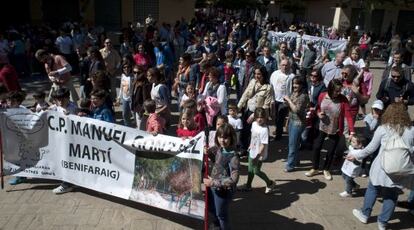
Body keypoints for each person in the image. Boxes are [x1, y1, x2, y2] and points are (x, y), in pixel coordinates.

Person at [349, 103, 414, 229]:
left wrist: (356, 155)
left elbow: (370, 149)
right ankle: (383, 223)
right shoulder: (411, 131)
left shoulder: (383, 128)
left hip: (381, 167)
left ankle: (364, 214)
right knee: (392, 195)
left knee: (373, 189)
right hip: (400, 169)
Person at [305, 79, 355, 180]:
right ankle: (315, 168)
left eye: (339, 90)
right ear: (330, 89)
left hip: (335, 129)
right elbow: (318, 107)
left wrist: (352, 130)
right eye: (336, 91)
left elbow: (348, 116)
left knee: (331, 151)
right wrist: (318, 113)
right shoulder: (322, 95)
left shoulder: (343, 99)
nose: (338, 93)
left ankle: (326, 169)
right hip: (322, 127)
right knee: (316, 147)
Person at [204, 123, 240, 230]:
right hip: (213, 187)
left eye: (225, 138)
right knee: (212, 208)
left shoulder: (234, 157)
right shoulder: (219, 148)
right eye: (220, 137)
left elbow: (234, 180)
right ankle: (217, 224)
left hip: (223, 191)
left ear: (231, 138)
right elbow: (216, 159)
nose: (222, 140)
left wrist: (213, 183)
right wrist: (208, 152)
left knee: (222, 215)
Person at [239, 108, 276, 194]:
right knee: (250, 169)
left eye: (262, 117)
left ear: (265, 118)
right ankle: (248, 186)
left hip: (260, 154)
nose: (259, 119)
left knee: (256, 171)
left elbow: (263, 145)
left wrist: (258, 156)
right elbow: (249, 125)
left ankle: (270, 183)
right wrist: (250, 145)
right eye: (258, 117)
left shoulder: (264, 130)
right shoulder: (254, 124)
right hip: (252, 150)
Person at [48, 88, 78, 194]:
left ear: (67, 98)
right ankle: (68, 181)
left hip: (70, 140)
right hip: (60, 140)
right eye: (57, 99)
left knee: (67, 161)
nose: (60, 102)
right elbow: (47, 111)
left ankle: (66, 184)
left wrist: (70, 116)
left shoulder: (73, 107)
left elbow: (78, 122)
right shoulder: (57, 107)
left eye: (62, 99)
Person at [238, 65, 273, 153]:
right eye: (255, 74)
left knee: (255, 133)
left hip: (259, 114)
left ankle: (254, 150)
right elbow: (245, 95)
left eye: (259, 74)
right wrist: (238, 107)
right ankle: (243, 149)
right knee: (244, 131)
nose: (257, 76)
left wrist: (255, 115)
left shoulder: (268, 88)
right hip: (248, 110)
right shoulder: (252, 81)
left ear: (264, 75)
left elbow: (266, 105)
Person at [283, 76, 309, 172]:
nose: (294, 85)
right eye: (293, 83)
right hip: (291, 120)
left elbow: (296, 110)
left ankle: (290, 165)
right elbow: (290, 108)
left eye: (297, 83)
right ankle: (296, 161)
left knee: (292, 145)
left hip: (298, 123)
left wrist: (289, 101)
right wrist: (286, 102)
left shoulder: (303, 96)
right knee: (295, 143)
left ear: (302, 85)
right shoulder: (294, 93)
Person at [270, 59, 294, 140]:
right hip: (275, 99)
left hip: (284, 101)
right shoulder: (275, 74)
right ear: (280, 65)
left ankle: (278, 136)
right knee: (275, 117)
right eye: (283, 65)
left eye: (286, 65)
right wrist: (271, 99)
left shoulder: (292, 76)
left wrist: (290, 100)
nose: (284, 67)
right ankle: (278, 130)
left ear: (289, 66)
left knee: (280, 118)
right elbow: (271, 86)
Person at [116, 62, 133, 126]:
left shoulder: (132, 76)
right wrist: (118, 98)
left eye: (128, 67)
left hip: (131, 99)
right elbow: (121, 87)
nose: (126, 68)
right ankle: (127, 127)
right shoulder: (122, 76)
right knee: (125, 114)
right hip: (124, 98)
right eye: (124, 67)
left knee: (133, 114)